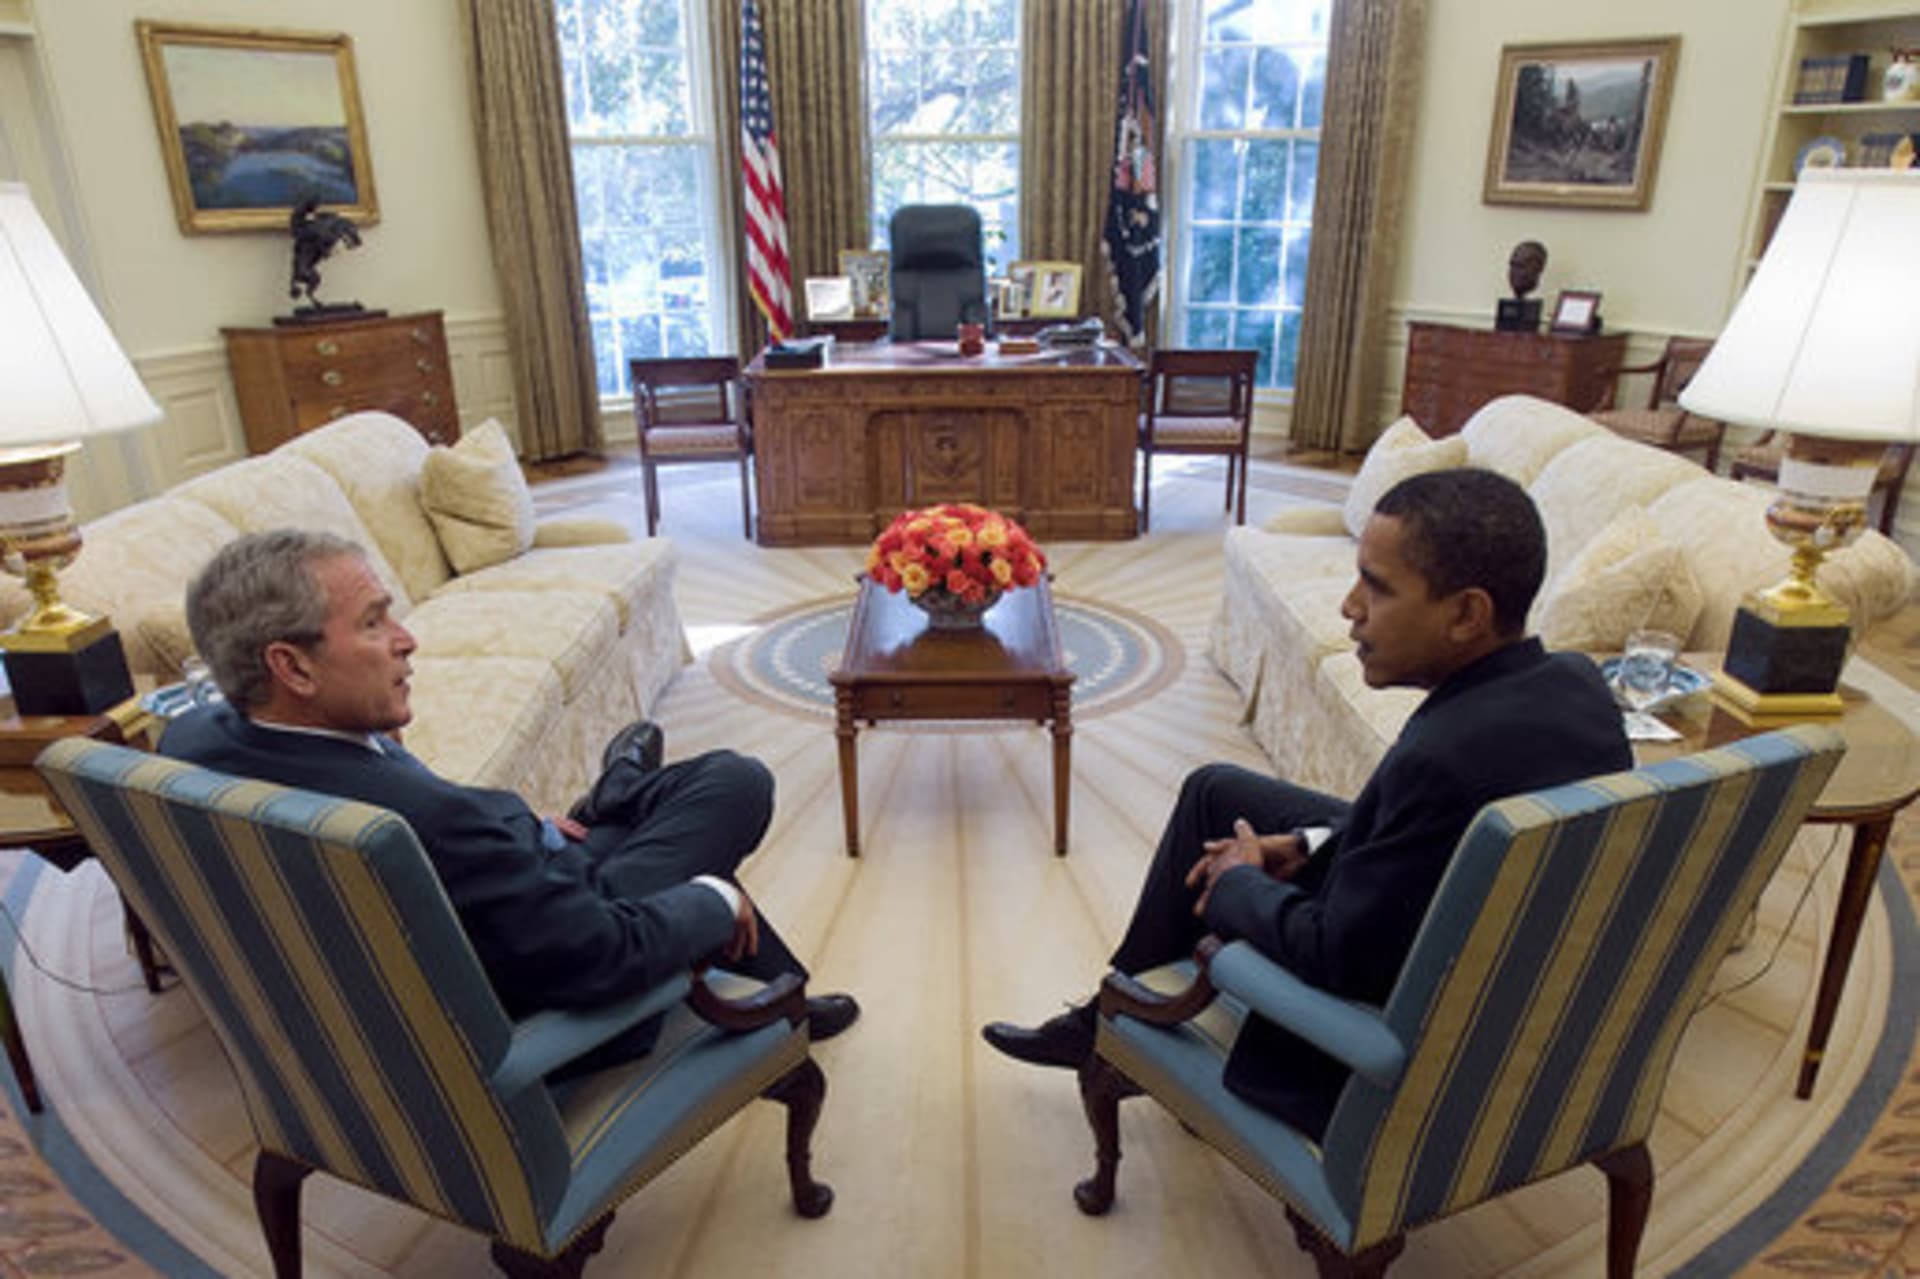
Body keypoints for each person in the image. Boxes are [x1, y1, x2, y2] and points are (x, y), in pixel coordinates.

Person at [981, 469, 1630, 1138]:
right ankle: (1108, 1017)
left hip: (1365, 1049)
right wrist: (1308, 842)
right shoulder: (1577, 688)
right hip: (1452, 919)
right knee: (1217, 789)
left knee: (1229, 853)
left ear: (1467, 613)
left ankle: (1116, 1020)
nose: (1350, 606)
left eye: (1376, 586)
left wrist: (1237, 880)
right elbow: (1430, 842)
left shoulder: (1439, 758)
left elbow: (1336, 954)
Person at [162, 529, 858, 1060]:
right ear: (291, 666)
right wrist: (715, 899)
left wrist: (520, 825)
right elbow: (605, 956)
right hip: (560, 983)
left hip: (508, 896)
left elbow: (426, 814)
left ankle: (626, 805)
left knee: (715, 786)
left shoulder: (193, 741)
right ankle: (772, 991)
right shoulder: (435, 826)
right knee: (735, 789)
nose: (407, 640)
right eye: (374, 622)